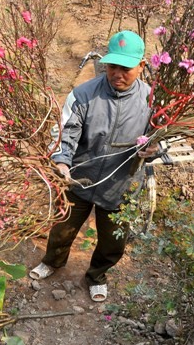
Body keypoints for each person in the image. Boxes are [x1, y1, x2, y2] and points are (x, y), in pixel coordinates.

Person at [30, 30, 159, 302]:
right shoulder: (84, 94)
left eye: (126, 68)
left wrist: (155, 150)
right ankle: (53, 261)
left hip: (121, 184)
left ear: (142, 66)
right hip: (80, 179)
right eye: (112, 67)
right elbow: (66, 132)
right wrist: (63, 163)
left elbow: (163, 137)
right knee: (62, 226)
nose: (117, 74)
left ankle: (97, 275)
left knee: (113, 240)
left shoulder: (151, 102)